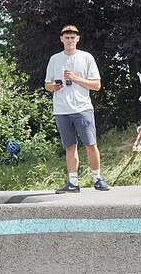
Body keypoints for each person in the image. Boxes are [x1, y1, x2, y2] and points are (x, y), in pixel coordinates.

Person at [44, 24, 110, 192]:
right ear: (61, 39)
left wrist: (75, 78)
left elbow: (96, 85)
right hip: (61, 110)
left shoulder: (86, 57)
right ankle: (73, 183)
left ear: (78, 39)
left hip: (82, 108)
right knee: (70, 147)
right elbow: (46, 85)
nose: (70, 40)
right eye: (67, 37)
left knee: (91, 144)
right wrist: (54, 86)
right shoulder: (54, 59)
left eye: (73, 37)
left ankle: (98, 179)